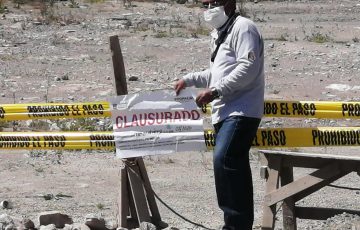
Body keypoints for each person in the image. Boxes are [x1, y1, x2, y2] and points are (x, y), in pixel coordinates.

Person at [174, 0, 264, 229]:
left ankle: (236, 225)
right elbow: (217, 72)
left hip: (241, 110)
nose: (209, 7)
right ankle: (237, 223)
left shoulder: (244, 27)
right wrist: (190, 79)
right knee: (230, 166)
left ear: (230, 3)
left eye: (215, 2)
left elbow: (248, 68)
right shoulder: (220, 32)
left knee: (225, 159)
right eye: (206, 3)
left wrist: (216, 91)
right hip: (223, 112)